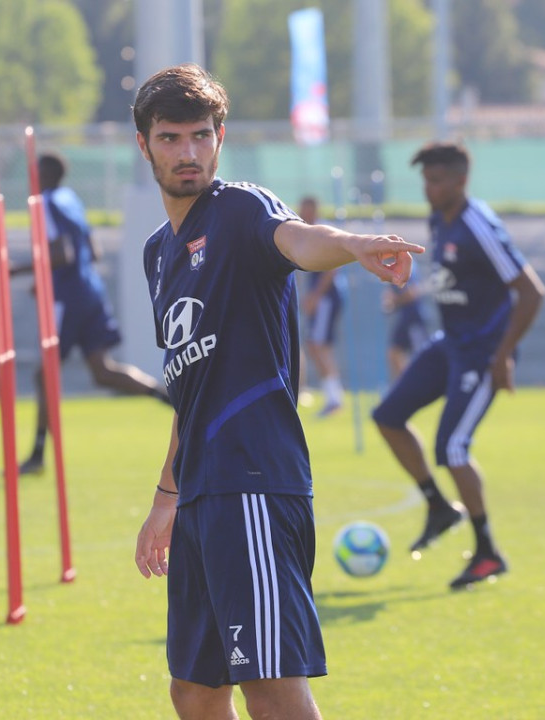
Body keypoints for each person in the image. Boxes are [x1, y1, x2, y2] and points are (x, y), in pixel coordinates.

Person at [131, 63, 423, 720]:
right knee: (196, 691)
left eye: (201, 136)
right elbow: (191, 388)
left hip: (255, 484)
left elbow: (299, 240)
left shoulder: (239, 209)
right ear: (143, 143)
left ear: (220, 137)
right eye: (171, 138)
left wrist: (352, 246)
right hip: (203, 493)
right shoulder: (158, 254)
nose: (188, 152)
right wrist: (165, 497)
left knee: (271, 688)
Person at [371, 142, 545, 591]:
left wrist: (503, 354)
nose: (428, 189)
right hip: (449, 344)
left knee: (451, 448)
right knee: (387, 417)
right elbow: (453, 278)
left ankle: (488, 553)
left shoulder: (477, 224)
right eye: (425, 180)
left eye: (437, 180)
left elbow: (531, 292)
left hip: (482, 353)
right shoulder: (441, 219)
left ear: (461, 180)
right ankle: (438, 506)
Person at [11, 152, 169, 475]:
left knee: (45, 375)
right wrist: (50, 280)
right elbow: (90, 249)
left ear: (45, 175)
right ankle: (171, 399)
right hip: (90, 292)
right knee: (102, 371)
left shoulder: (44, 203)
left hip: (69, 300)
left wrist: (17, 271)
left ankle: (39, 455)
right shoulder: (70, 199)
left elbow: (62, 253)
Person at [298, 196, 346, 417]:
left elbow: (332, 269)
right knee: (317, 344)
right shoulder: (308, 232)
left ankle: (334, 397)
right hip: (323, 296)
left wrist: (316, 296)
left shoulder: (321, 230)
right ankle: (333, 395)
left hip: (327, 296)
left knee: (317, 344)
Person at [382, 259, 429, 382]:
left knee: (422, 355)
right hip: (406, 316)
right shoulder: (397, 266)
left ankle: (421, 384)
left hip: (413, 316)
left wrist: (395, 301)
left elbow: (412, 292)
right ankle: (408, 384)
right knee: (394, 353)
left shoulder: (406, 265)